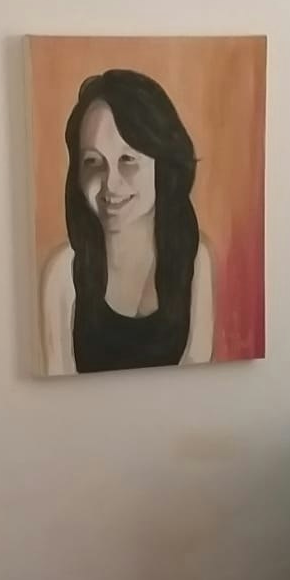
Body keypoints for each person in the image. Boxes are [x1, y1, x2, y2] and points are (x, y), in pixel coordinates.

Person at [41, 69, 214, 374]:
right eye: (92, 162)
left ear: (162, 164)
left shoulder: (196, 259)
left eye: (128, 160)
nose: (110, 184)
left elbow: (197, 375)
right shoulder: (62, 275)